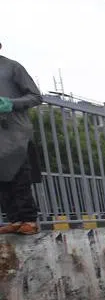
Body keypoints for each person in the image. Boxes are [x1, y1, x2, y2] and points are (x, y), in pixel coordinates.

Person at [0, 42, 44, 236]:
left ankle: (29, 220)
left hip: (16, 133)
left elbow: (36, 97)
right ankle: (14, 219)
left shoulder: (13, 68)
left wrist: (12, 103)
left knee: (19, 176)